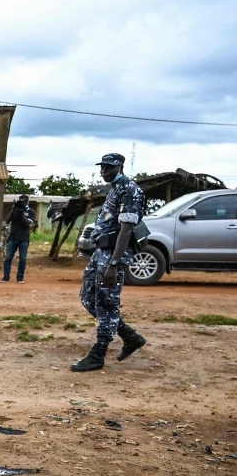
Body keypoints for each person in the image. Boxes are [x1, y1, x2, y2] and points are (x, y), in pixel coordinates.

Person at [71, 153, 147, 372]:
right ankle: (130, 337)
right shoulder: (115, 189)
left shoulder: (130, 190)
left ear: (120, 167)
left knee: (106, 303)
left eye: (109, 167)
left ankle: (98, 354)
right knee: (89, 298)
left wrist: (114, 264)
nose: (103, 171)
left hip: (112, 254)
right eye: (102, 167)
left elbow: (126, 229)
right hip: (101, 251)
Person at [2, 194, 35, 283]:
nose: (22, 203)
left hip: (24, 238)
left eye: (24, 201)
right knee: (8, 258)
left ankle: (20, 278)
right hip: (13, 237)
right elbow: (7, 220)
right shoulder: (15, 210)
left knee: (23, 259)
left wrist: (22, 214)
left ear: (27, 202)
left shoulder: (30, 211)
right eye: (20, 201)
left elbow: (28, 223)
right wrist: (13, 210)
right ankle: (6, 277)